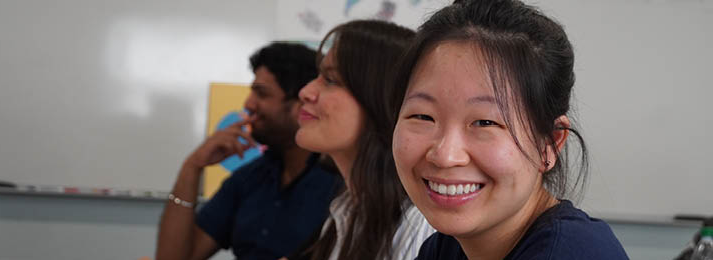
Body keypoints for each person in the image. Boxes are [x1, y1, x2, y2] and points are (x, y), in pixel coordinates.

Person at [388, 0, 629, 259]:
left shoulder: (569, 253)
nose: (446, 155)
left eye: (485, 122)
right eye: (423, 116)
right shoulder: (446, 248)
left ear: (549, 143)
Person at [156, 42, 342, 260]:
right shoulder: (250, 178)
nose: (248, 104)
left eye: (261, 94)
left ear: (301, 103)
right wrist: (193, 167)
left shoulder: (341, 183)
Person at [291, 20, 435, 260]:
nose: (306, 91)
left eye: (331, 80)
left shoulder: (420, 225)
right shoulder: (348, 210)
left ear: (380, 99)